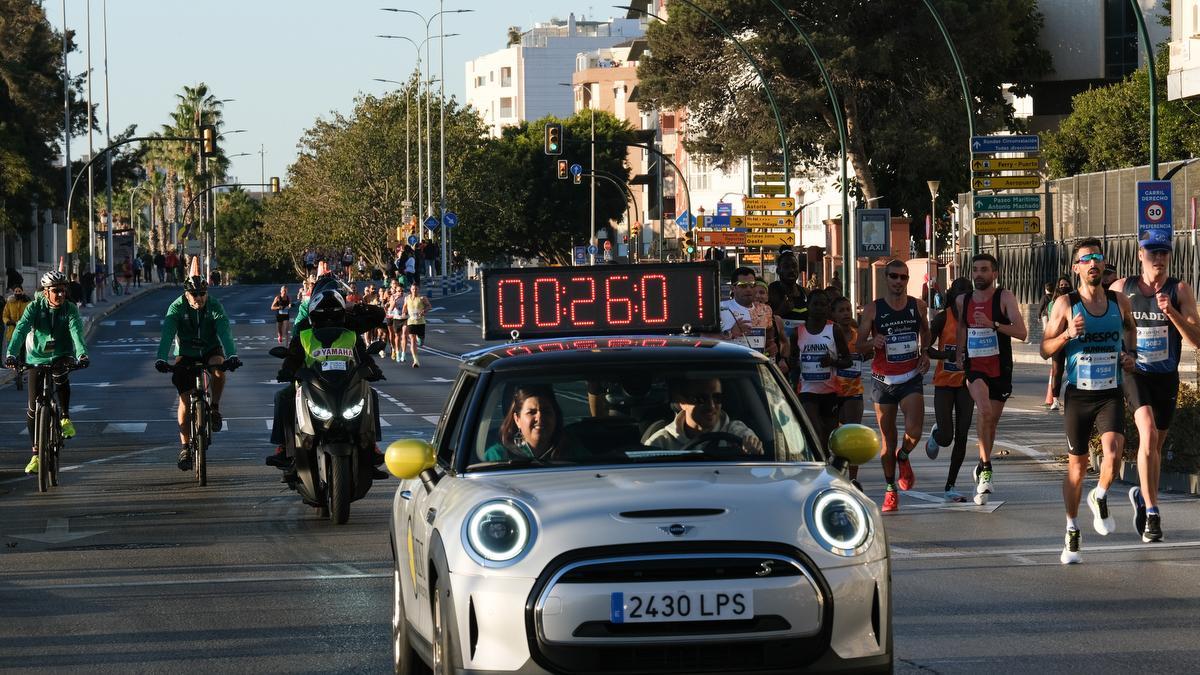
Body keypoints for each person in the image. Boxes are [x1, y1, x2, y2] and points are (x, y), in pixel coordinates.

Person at [1041, 238, 1137, 564]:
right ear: (1076, 267)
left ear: (1103, 263)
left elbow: (1131, 329)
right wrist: (1068, 334)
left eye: (1097, 258)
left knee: (1113, 453)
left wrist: (1130, 354)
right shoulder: (1066, 305)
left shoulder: (1119, 301)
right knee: (1077, 468)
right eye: (1086, 259)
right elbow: (1044, 348)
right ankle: (1071, 528)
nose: (1093, 263)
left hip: (1110, 391)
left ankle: (1100, 495)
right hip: (1079, 394)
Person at [1109, 230, 1200, 543]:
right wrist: (1119, 353)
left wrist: (1171, 312)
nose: (1158, 258)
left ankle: (1141, 496)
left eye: (1163, 253)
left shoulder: (1180, 290)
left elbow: (1197, 340)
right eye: (1152, 253)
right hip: (1135, 373)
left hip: (1165, 376)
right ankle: (1153, 513)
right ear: (1139, 255)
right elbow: (1104, 324)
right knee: (1147, 432)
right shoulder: (1123, 289)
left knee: (1155, 446)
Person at [267, 287, 387, 476]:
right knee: (283, 397)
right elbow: (292, 359)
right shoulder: (304, 336)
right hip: (310, 387)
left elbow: (364, 357)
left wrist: (374, 370)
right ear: (313, 316)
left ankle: (370, 447)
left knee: (370, 394)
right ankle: (285, 449)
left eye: (333, 315)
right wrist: (287, 371)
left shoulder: (351, 335)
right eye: (323, 315)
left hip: (345, 387)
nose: (328, 320)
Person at [953, 254, 1028, 505]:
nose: (978, 275)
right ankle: (986, 468)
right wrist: (959, 352)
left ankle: (981, 465)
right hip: (975, 366)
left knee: (991, 422)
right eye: (975, 270)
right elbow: (962, 328)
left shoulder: (1004, 297)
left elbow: (1022, 333)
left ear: (994, 274)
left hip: (1001, 368)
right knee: (984, 410)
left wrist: (993, 324)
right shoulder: (964, 300)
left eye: (984, 270)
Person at [857, 259, 931, 512]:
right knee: (887, 441)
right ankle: (890, 489)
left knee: (915, 431)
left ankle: (905, 455)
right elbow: (859, 345)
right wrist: (872, 342)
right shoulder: (872, 309)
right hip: (883, 381)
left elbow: (926, 333)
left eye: (903, 277)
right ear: (885, 278)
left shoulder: (917, 306)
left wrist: (925, 354)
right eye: (894, 276)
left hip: (910, 376)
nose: (898, 281)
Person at [154, 265, 241, 471]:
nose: (198, 298)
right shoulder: (176, 308)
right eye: (194, 294)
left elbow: (225, 331)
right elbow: (167, 334)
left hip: (211, 349)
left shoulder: (214, 306)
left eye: (202, 293)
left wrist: (232, 355)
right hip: (186, 354)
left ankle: (215, 408)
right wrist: (160, 358)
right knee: (184, 399)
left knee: (219, 369)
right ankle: (185, 446)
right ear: (186, 294)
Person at [4, 271, 90, 474]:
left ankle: (65, 418)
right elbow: (21, 329)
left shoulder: (69, 309)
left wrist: (82, 354)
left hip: (61, 353)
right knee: (33, 407)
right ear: (45, 292)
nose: (60, 294)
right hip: (36, 356)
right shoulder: (34, 307)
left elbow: (76, 332)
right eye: (56, 291)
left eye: (63, 290)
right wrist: (11, 354)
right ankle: (35, 454)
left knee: (61, 378)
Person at [925, 278, 974, 502]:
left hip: (966, 385)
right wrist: (947, 355)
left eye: (967, 291)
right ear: (952, 294)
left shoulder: (976, 319)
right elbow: (926, 348)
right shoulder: (943, 318)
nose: (963, 294)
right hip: (944, 383)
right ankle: (937, 434)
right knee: (947, 437)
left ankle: (950, 485)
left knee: (962, 436)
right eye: (959, 291)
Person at [795, 289, 851, 454]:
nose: (819, 308)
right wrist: (794, 364)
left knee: (827, 437)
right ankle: (816, 463)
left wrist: (832, 362)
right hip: (807, 390)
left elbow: (847, 360)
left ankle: (825, 465)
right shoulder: (798, 332)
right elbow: (790, 359)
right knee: (815, 430)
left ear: (828, 307)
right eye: (815, 304)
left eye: (823, 304)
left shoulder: (834, 330)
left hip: (830, 391)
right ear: (808, 306)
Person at [644, 377, 763, 454]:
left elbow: (760, 463)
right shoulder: (661, 443)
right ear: (682, 402)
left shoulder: (737, 433)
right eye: (701, 399)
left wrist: (752, 452)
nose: (711, 406)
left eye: (717, 398)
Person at [483, 385, 576, 462]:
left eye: (546, 411)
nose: (540, 417)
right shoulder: (497, 456)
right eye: (531, 412)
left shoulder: (574, 453)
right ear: (517, 419)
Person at [832, 295, 869, 490]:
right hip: (832, 392)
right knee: (834, 436)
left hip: (854, 391)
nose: (846, 313)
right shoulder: (829, 335)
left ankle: (853, 480)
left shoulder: (857, 335)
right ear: (833, 315)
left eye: (848, 309)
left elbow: (866, 353)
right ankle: (835, 473)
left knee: (853, 435)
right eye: (841, 310)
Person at [720, 267, 777, 358]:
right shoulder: (721, 308)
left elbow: (770, 335)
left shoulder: (765, 310)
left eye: (752, 285)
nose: (748, 289)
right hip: (730, 364)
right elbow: (703, 339)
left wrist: (771, 345)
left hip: (756, 366)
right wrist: (730, 333)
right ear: (732, 288)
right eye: (743, 285)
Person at [1043, 276, 1073, 410]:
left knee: (1073, 366)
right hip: (1058, 339)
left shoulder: (1075, 300)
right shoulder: (1053, 303)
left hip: (1073, 338)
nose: (1063, 287)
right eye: (1061, 285)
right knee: (1057, 369)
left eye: (1066, 284)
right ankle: (1055, 399)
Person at [754, 280, 789, 374]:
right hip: (751, 368)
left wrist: (783, 359)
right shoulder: (742, 318)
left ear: (767, 297)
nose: (758, 296)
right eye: (754, 292)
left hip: (771, 369)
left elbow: (784, 342)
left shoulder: (776, 320)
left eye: (762, 292)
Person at [402, 280, 431, 368]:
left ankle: (421, 338)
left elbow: (429, 306)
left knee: (421, 341)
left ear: (418, 290)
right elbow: (405, 307)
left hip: (420, 322)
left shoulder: (422, 298)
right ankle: (416, 360)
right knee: (412, 340)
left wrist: (424, 311)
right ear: (410, 289)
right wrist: (404, 312)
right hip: (411, 322)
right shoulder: (407, 298)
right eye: (413, 289)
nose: (414, 291)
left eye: (416, 289)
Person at [3, 284, 31, 358]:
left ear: (22, 292)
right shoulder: (10, 303)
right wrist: (8, 322)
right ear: (13, 292)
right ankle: (13, 362)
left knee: (23, 348)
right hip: (12, 329)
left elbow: (30, 314)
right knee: (13, 347)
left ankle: (22, 363)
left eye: (19, 291)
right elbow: (5, 315)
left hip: (24, 328)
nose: (17, 293)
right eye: (16, 291)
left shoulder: (27, 302)